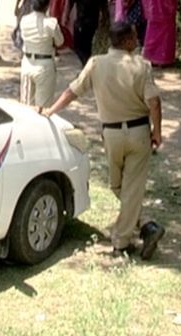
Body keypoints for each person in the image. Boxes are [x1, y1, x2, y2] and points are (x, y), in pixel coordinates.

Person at [42, 22, 164, 260]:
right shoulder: (142, 65)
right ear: (127, 40)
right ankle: (141, 229)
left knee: (119, 186)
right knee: (127, 188)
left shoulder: (96, 63)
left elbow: (72, 91)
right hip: (139, 132)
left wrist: (50, 111)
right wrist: (157, 131)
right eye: (134, 37)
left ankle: (125, 238)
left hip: (111, 134)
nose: (137, 40)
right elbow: (154, 102)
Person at [19, 0, 63, 107]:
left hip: (27, 63)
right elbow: (60, 42)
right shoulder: (51, 23)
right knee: (43, 108)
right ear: (47, 6)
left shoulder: (24, 20)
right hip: (45, 65)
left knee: (26, 106)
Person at [68, 0, 109, 65]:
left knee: (79, 47)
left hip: (81, 22)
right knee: (90, 46)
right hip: (94, 22)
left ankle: (86, 65)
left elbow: (70, 3)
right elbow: (104, 6)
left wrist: (66, 16)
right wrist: (105, 19)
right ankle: (87, 65)